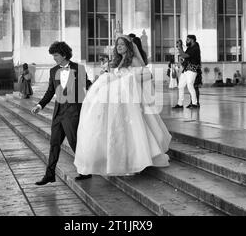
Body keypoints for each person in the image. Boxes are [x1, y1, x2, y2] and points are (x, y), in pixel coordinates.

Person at [74, 35, 171, 176]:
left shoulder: (134, 60)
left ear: (128, 47)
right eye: (117, 44)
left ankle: (135, 160)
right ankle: (118, 158)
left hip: (128, 99)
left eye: (122, 44)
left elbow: (148, 75)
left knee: (132, 129)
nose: (119, 47)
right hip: (117, 100)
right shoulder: (118, 61)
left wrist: (127, 79)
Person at [31, 42, 92, 185]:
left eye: (56, 55)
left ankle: (85, 171)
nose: (54, 58)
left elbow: (87, 84)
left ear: (64, 55)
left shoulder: (79, 68)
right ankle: (49, 174)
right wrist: (40, 105)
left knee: (75, 142)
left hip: (73, 112)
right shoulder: (53, 71)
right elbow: (50, 91)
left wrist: (102, 84)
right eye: (53, 56)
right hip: (58, 113)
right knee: (54, 143)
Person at [173, 35, 201, 109]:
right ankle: (180, 104)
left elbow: (184, 55)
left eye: (188, 40)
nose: (186, 41)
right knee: (180, 86)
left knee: (190, 85)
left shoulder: (195, 48)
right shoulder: (190, 48)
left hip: (192, 70)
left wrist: (179, 47)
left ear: (192, 40)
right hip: (186, 69)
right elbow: (183, 56)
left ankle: (195, 103)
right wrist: (180, 47)